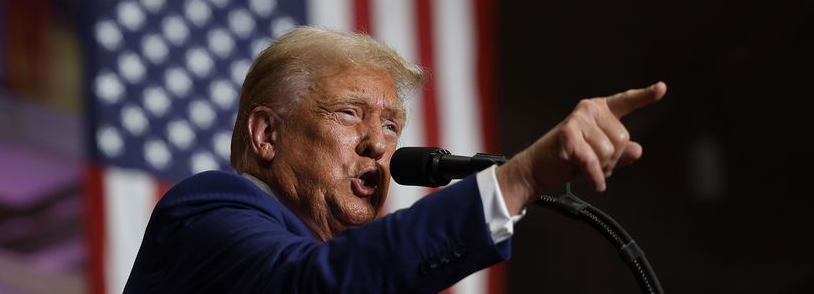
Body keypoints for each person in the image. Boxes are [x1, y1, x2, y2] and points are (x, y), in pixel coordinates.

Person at [123, 27, 666, 293]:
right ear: (266, 133)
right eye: (348, 114)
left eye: (390, 126)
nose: (378, 145)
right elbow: (317, 285)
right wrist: (522, 177)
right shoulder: (207, 213)